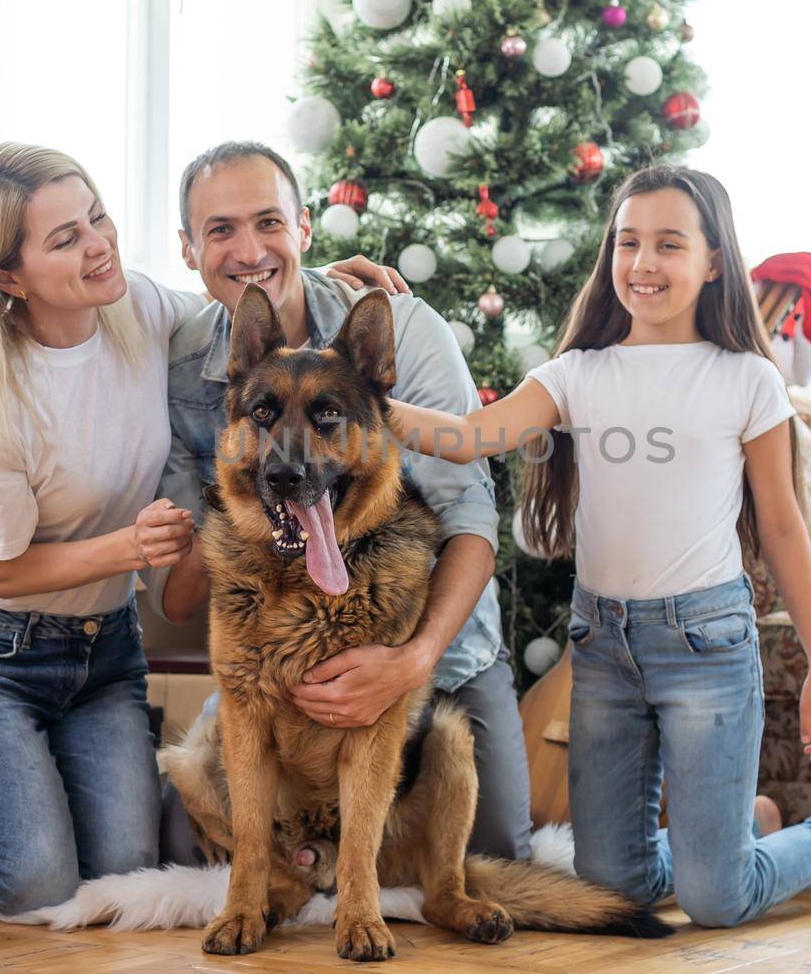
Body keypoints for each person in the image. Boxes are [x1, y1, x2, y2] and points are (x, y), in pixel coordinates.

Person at [0, 142, 401, 912]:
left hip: (103, 651)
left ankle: (30, 781)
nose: (99, 244)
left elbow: (244, 309)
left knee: (121, 865)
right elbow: (6, 571)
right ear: (6, 276)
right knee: (33, 881)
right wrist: (128, 548)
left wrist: (315, 279)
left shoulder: (142, 310)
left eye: (97, 216)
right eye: (65, 239)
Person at [385, 165, 811, 927]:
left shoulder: (748, 380)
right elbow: (470, 437)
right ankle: (737, 833)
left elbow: (784, 527)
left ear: (714, 260)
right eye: (628, 242)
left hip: (708, 646)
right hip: (605, 651)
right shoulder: (577, 374)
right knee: (615, 888)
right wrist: (364, 399)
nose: (643, 264)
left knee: (714, 900)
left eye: (668, 244)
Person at [148, 140, 535, 861]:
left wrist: (411, 660)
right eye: (220, 229)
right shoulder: (179, 364)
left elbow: (472, 518)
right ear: (187, 247)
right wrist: (237, 486)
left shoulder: (403, 329)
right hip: (277, 653)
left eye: (269, 222)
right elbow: (175, 600)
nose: (248, 249)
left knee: (489, 854)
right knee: (179, 835)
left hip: (434, 650)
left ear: (304, 230)